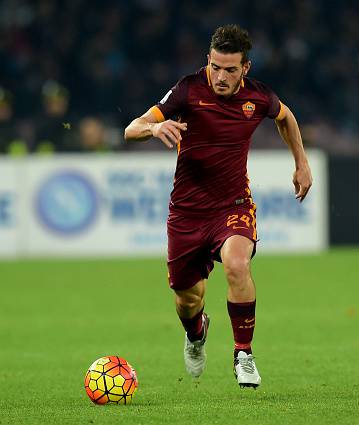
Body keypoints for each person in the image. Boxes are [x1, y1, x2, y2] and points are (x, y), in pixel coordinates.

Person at [124, 25, 313, 388]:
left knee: (238, 266)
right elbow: (131, 128)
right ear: (207, 62)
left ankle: (243, 353)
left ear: (246, 68)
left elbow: (285, 117)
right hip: (187, 212)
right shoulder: (187, 89)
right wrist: (152, 129)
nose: (220, 77)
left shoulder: (258, 97)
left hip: (233, 205)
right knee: (186, 298)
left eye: (230, 69)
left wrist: (301, 162)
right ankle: (196, 333)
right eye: (215, 67)